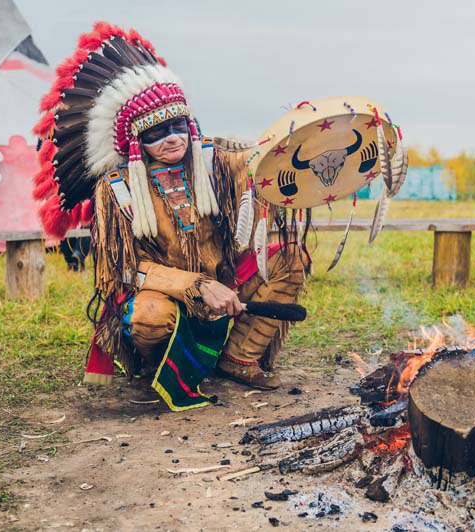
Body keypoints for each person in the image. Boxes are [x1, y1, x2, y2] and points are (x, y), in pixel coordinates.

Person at [32, 23, 311, 409]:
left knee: (290, 256)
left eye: (178, 126)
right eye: (156, 133)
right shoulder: (116, 189)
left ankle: (239, 356)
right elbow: (122, 271)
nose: (172, 138)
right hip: (162, 295)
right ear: (135, 142)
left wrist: (295, 135)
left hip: (224, 280)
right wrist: (194, 286)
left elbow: (261, 159)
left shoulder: (214, 161)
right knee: (148, 315)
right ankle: (159, 365)